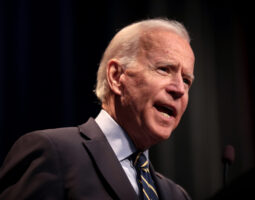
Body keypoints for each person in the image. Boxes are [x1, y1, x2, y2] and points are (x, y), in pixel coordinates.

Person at [0, 18, 195, 200]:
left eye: (186, 80)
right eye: (163, 69)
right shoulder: (53, 153)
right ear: (117, 76)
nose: (179, 89)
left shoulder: (175, 195)